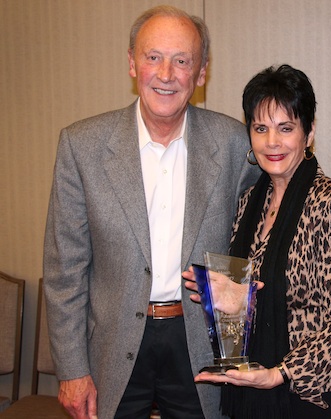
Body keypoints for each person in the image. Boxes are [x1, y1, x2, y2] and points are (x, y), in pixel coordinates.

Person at [42, 6, 259, 419]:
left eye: (182, 61)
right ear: (131, 62)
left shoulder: (234, 142)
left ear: (201, 73)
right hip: (113, 344)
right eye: (153, 57)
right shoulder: (81, 146)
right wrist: (71, 370)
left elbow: (262, 230)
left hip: (200, 343)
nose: (165, 74)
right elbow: (64, 271)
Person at [183, 64, 331, 418]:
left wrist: (280, 373)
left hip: (311, 394)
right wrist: (234, 297)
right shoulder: (249, 202)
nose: (272, 142)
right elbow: (259, 294)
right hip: (252, 387)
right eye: (260, 128)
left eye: (286, 128)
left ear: (309, 132)